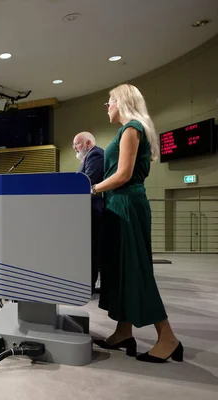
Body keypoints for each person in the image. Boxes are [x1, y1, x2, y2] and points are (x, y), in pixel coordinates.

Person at [92, 84, 181, 363]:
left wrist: (92, 189)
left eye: (109, 102)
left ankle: (168, 338)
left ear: (121, 102)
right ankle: (123, 331)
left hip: (126, 205)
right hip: (119, 204)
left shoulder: (131, 129)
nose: (107, 107)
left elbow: (123, 175)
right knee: (119, 270)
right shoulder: (129, 129)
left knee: (136, 270)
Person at [73, 131, 105, 293]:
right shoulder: (89, 156)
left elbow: (89, 180)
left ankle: (88, 287)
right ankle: (87, 285)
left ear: (88, 143)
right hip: (89, 210)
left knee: (92, 250)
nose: (74, 148)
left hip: (94, 210)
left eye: (77, 144)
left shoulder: (96, 154)